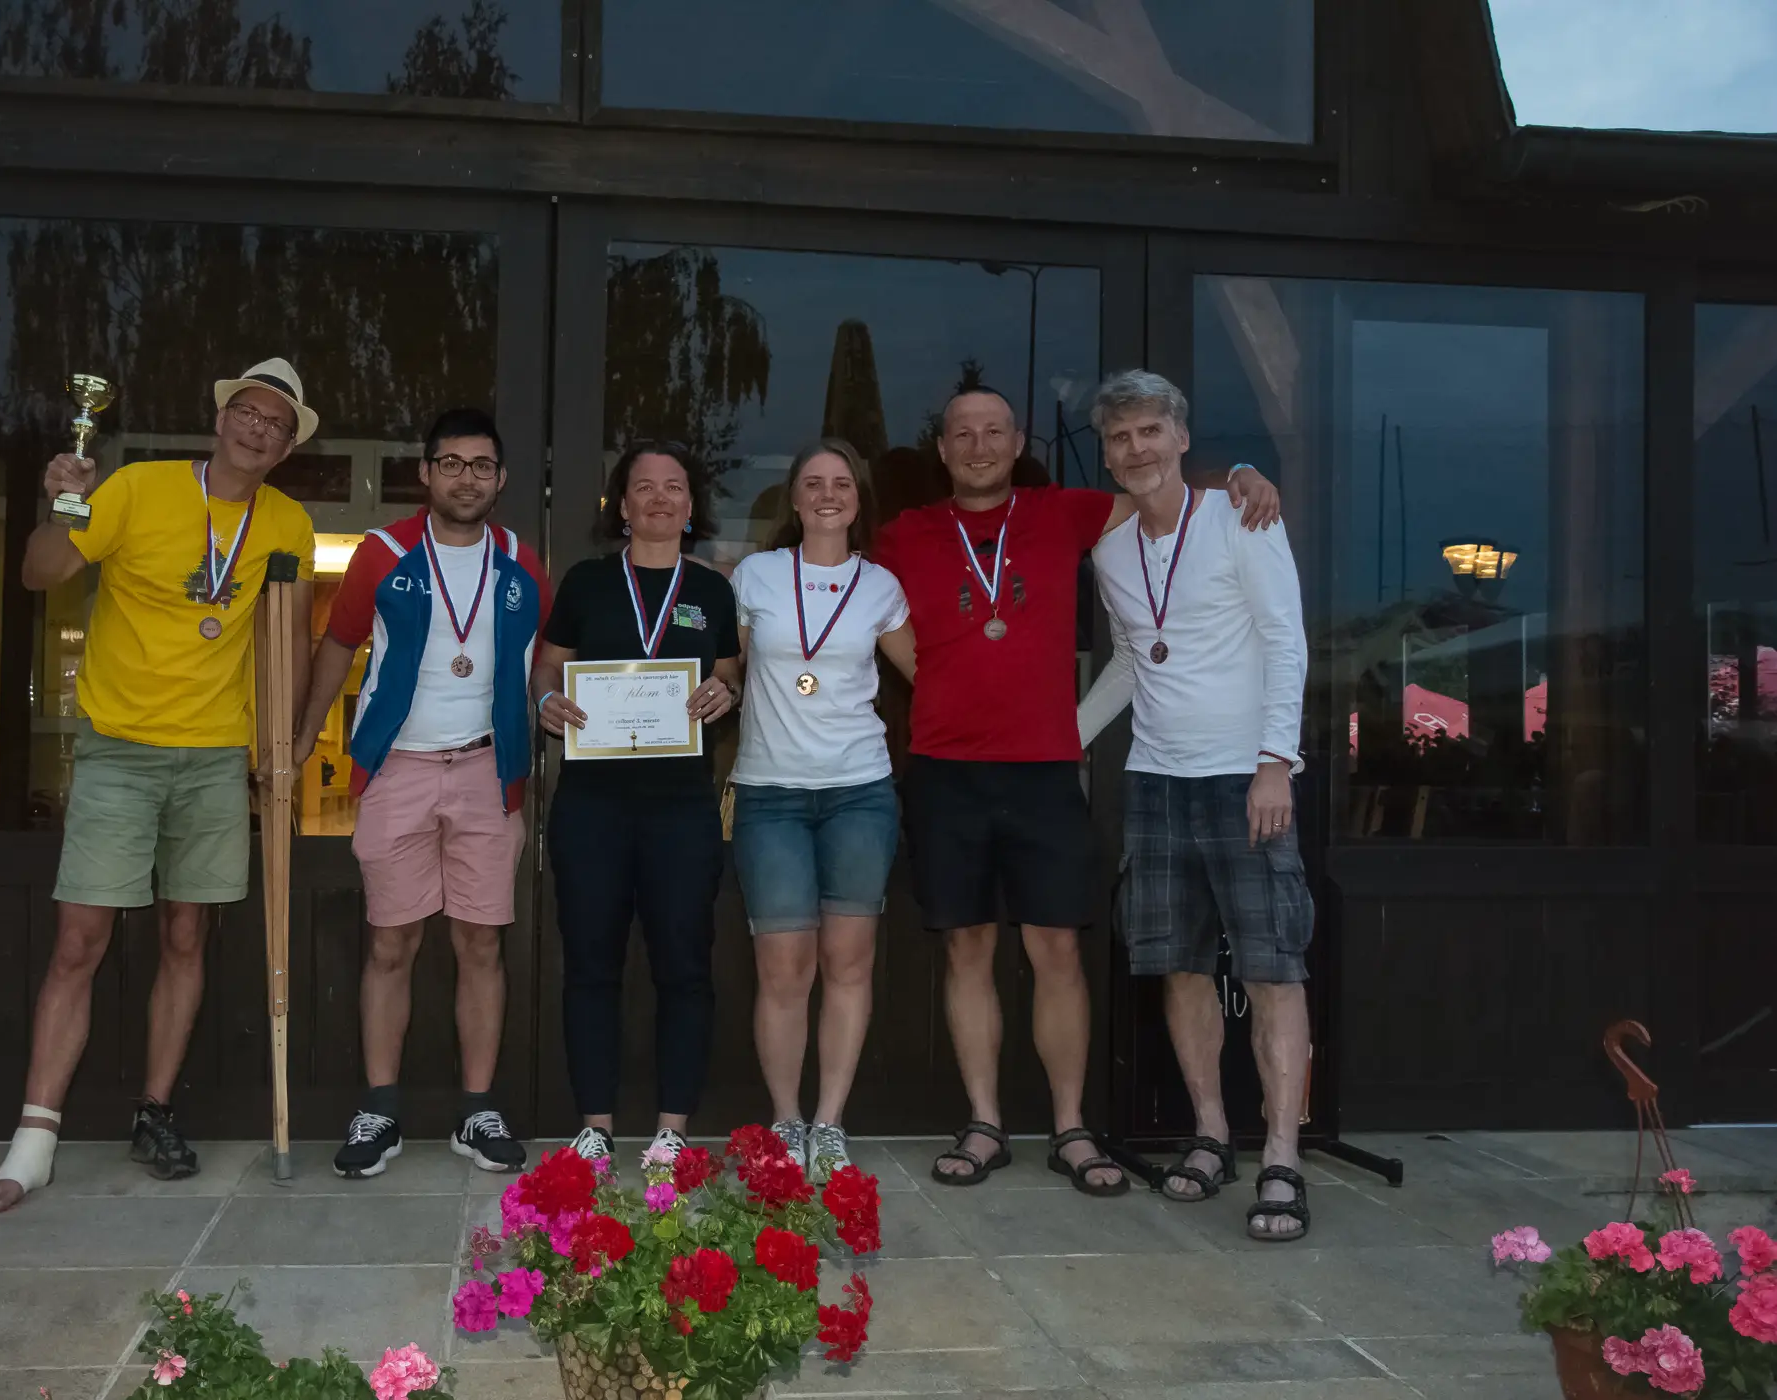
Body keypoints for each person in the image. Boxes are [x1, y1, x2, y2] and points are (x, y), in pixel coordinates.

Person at [874, 385, 1278, 1195]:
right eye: (963, 434)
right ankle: (984, 1123)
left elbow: (1159, 491)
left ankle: (1070, 1129)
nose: (979, 446)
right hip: (946, 770)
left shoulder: (1065, 512)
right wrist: (942, 682)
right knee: (967, 948)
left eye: (994, 431)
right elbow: (861, 607)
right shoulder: (902, 533)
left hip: (1044, 771)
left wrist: (1239, 475)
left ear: (1017, 440)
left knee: (1056, 950)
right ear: (942, 449)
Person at [0, 358, 318, 1213]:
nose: (259, 429)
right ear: (221, 419)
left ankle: (155, 1112)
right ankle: (34, 1139)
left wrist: (281, 746)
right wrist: (64, 501)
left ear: (286, 448)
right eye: (248, 412)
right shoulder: (136, 489)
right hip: (120, 750)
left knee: (186, 936)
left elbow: (287, 639)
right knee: (79, 940)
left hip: (214, 755)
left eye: (277, 424)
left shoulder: (287, 522)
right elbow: (42, 572)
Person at [1077, 369, 1313, 1242]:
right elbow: (1133, 659)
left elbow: (1286, 641)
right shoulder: (1109, 552)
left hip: (1247, 778)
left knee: (1272, 969)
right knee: (1178, 967)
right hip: (1155, 778)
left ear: (1181, 437)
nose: (1136, 448)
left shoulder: (1243, 516)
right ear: (1107, 456)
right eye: (1119, 438)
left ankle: (1281, 1155)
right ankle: (1211, 1133)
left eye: (1150, 431)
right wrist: (1065, 737)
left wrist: (1275, 763)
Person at [293, 407, 549, 1179]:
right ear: (426, 473)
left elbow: (544, 661)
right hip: (397, 769)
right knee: (391, 943)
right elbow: (338, 644)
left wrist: (566, 706)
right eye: (452, 463)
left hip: (488, 772)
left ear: (501, 479)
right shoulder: (382, 552)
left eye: (482, 465)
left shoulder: (523, 561)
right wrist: (302, 739)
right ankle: (380, 1110)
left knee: (481, 943)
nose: (467, 478)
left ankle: (478, 1111)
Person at [532, 442, 742, 1165]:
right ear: (621, 505)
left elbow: (729, 672)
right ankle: (595, 1126)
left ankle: (672, 1129)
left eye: (673, 487)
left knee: (684, 967)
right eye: (643, 487)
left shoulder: (711, 589)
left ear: (691, 505)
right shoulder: (587, 582)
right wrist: (545, 700)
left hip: (680, 809)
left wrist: (726, 691)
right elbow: (548, 666)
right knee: (591, 965)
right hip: (592, 807)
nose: (659, 498)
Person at [729, 439, 914, 1181]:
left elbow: (928, 673)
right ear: (795, 498)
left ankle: (830, 1122)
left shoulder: (882, 587)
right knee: (783, 967)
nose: (828, 494)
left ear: (857, 499)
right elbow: (727, 669)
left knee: (848, 962)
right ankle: (786, 1119)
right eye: (814, 482)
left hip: (859, 792)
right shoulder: (757, 575)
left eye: (842, 482)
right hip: (770, 793)